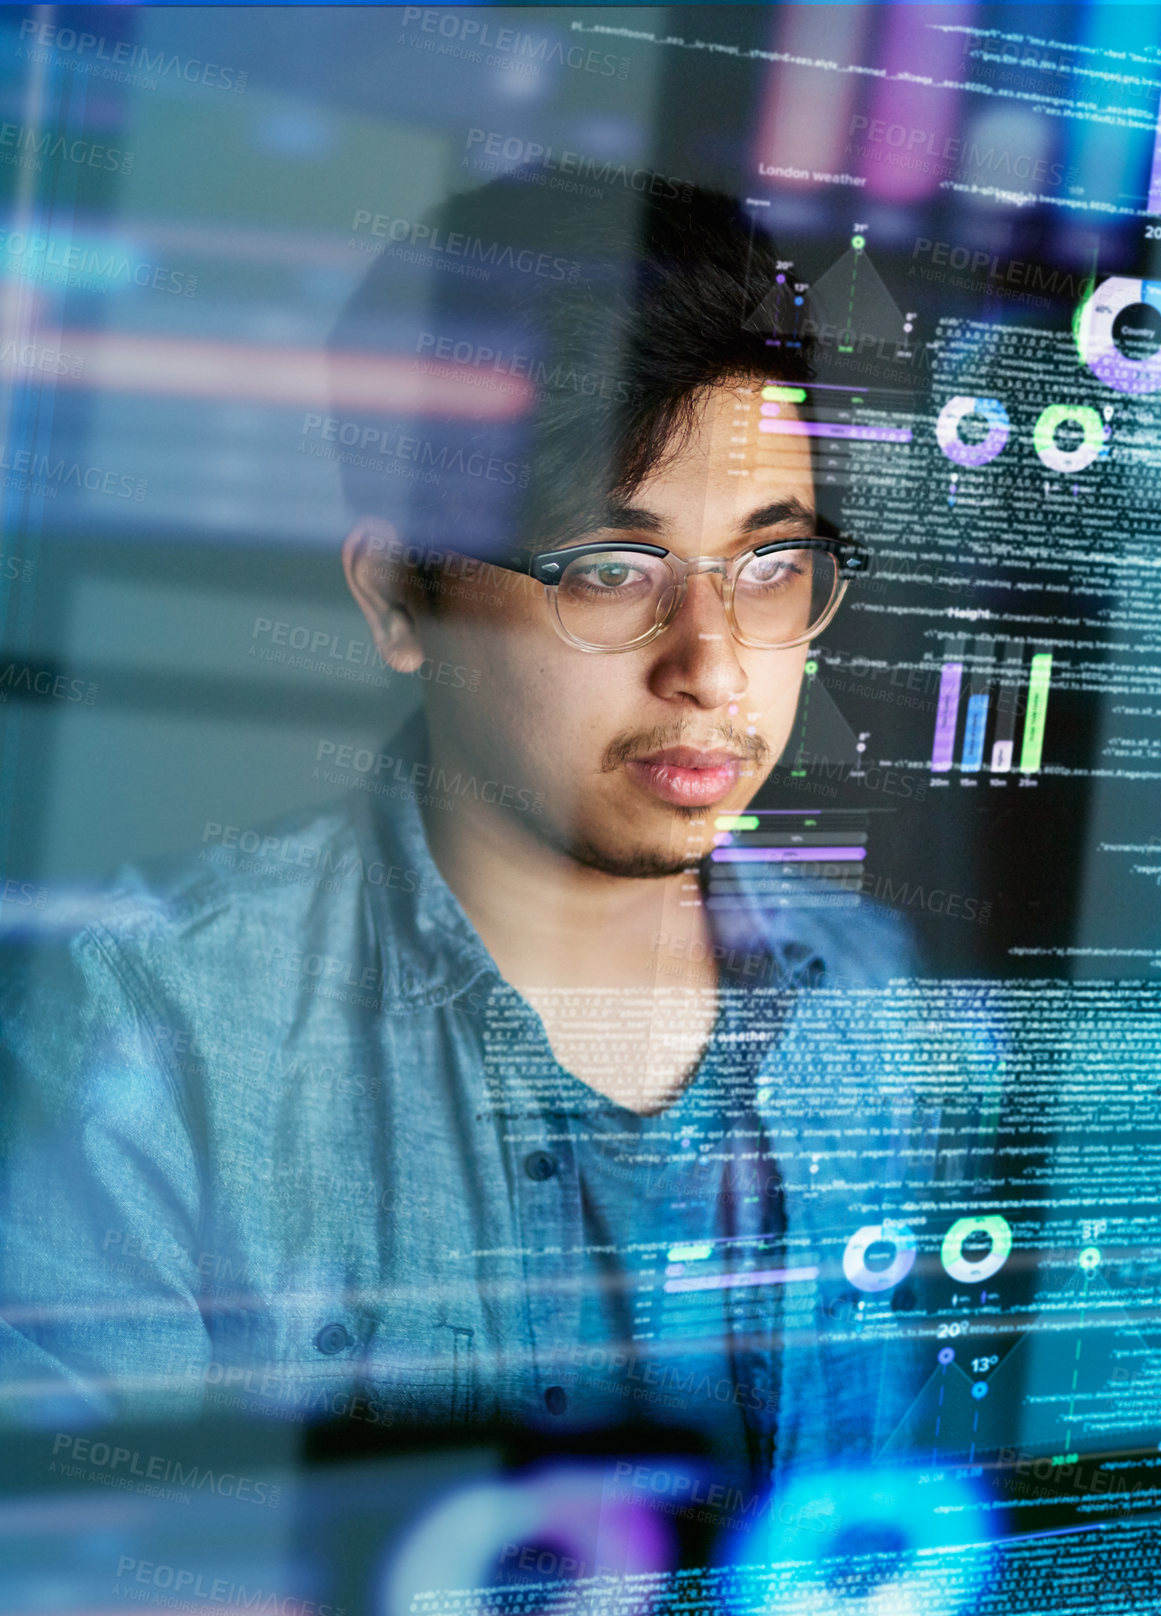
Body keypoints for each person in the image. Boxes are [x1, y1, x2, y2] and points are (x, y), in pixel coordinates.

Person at [0, 178, 935, 1491]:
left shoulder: (885, 1001)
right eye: (611, 567)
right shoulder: (157, 1031)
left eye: (769, 566)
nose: (714, 670)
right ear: (399, 598)